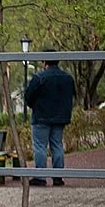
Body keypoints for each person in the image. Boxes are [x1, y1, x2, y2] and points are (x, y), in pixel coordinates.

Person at [24, 58, 75, 186]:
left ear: (44, 62)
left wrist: (36, 106)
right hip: (60, 117)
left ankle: (40, 177)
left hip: (41, 117)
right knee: (57, 145)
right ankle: (58, 177)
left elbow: (28, 97)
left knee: (40, 146)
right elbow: (72, 96)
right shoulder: (67, 78)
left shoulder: (39, 78)